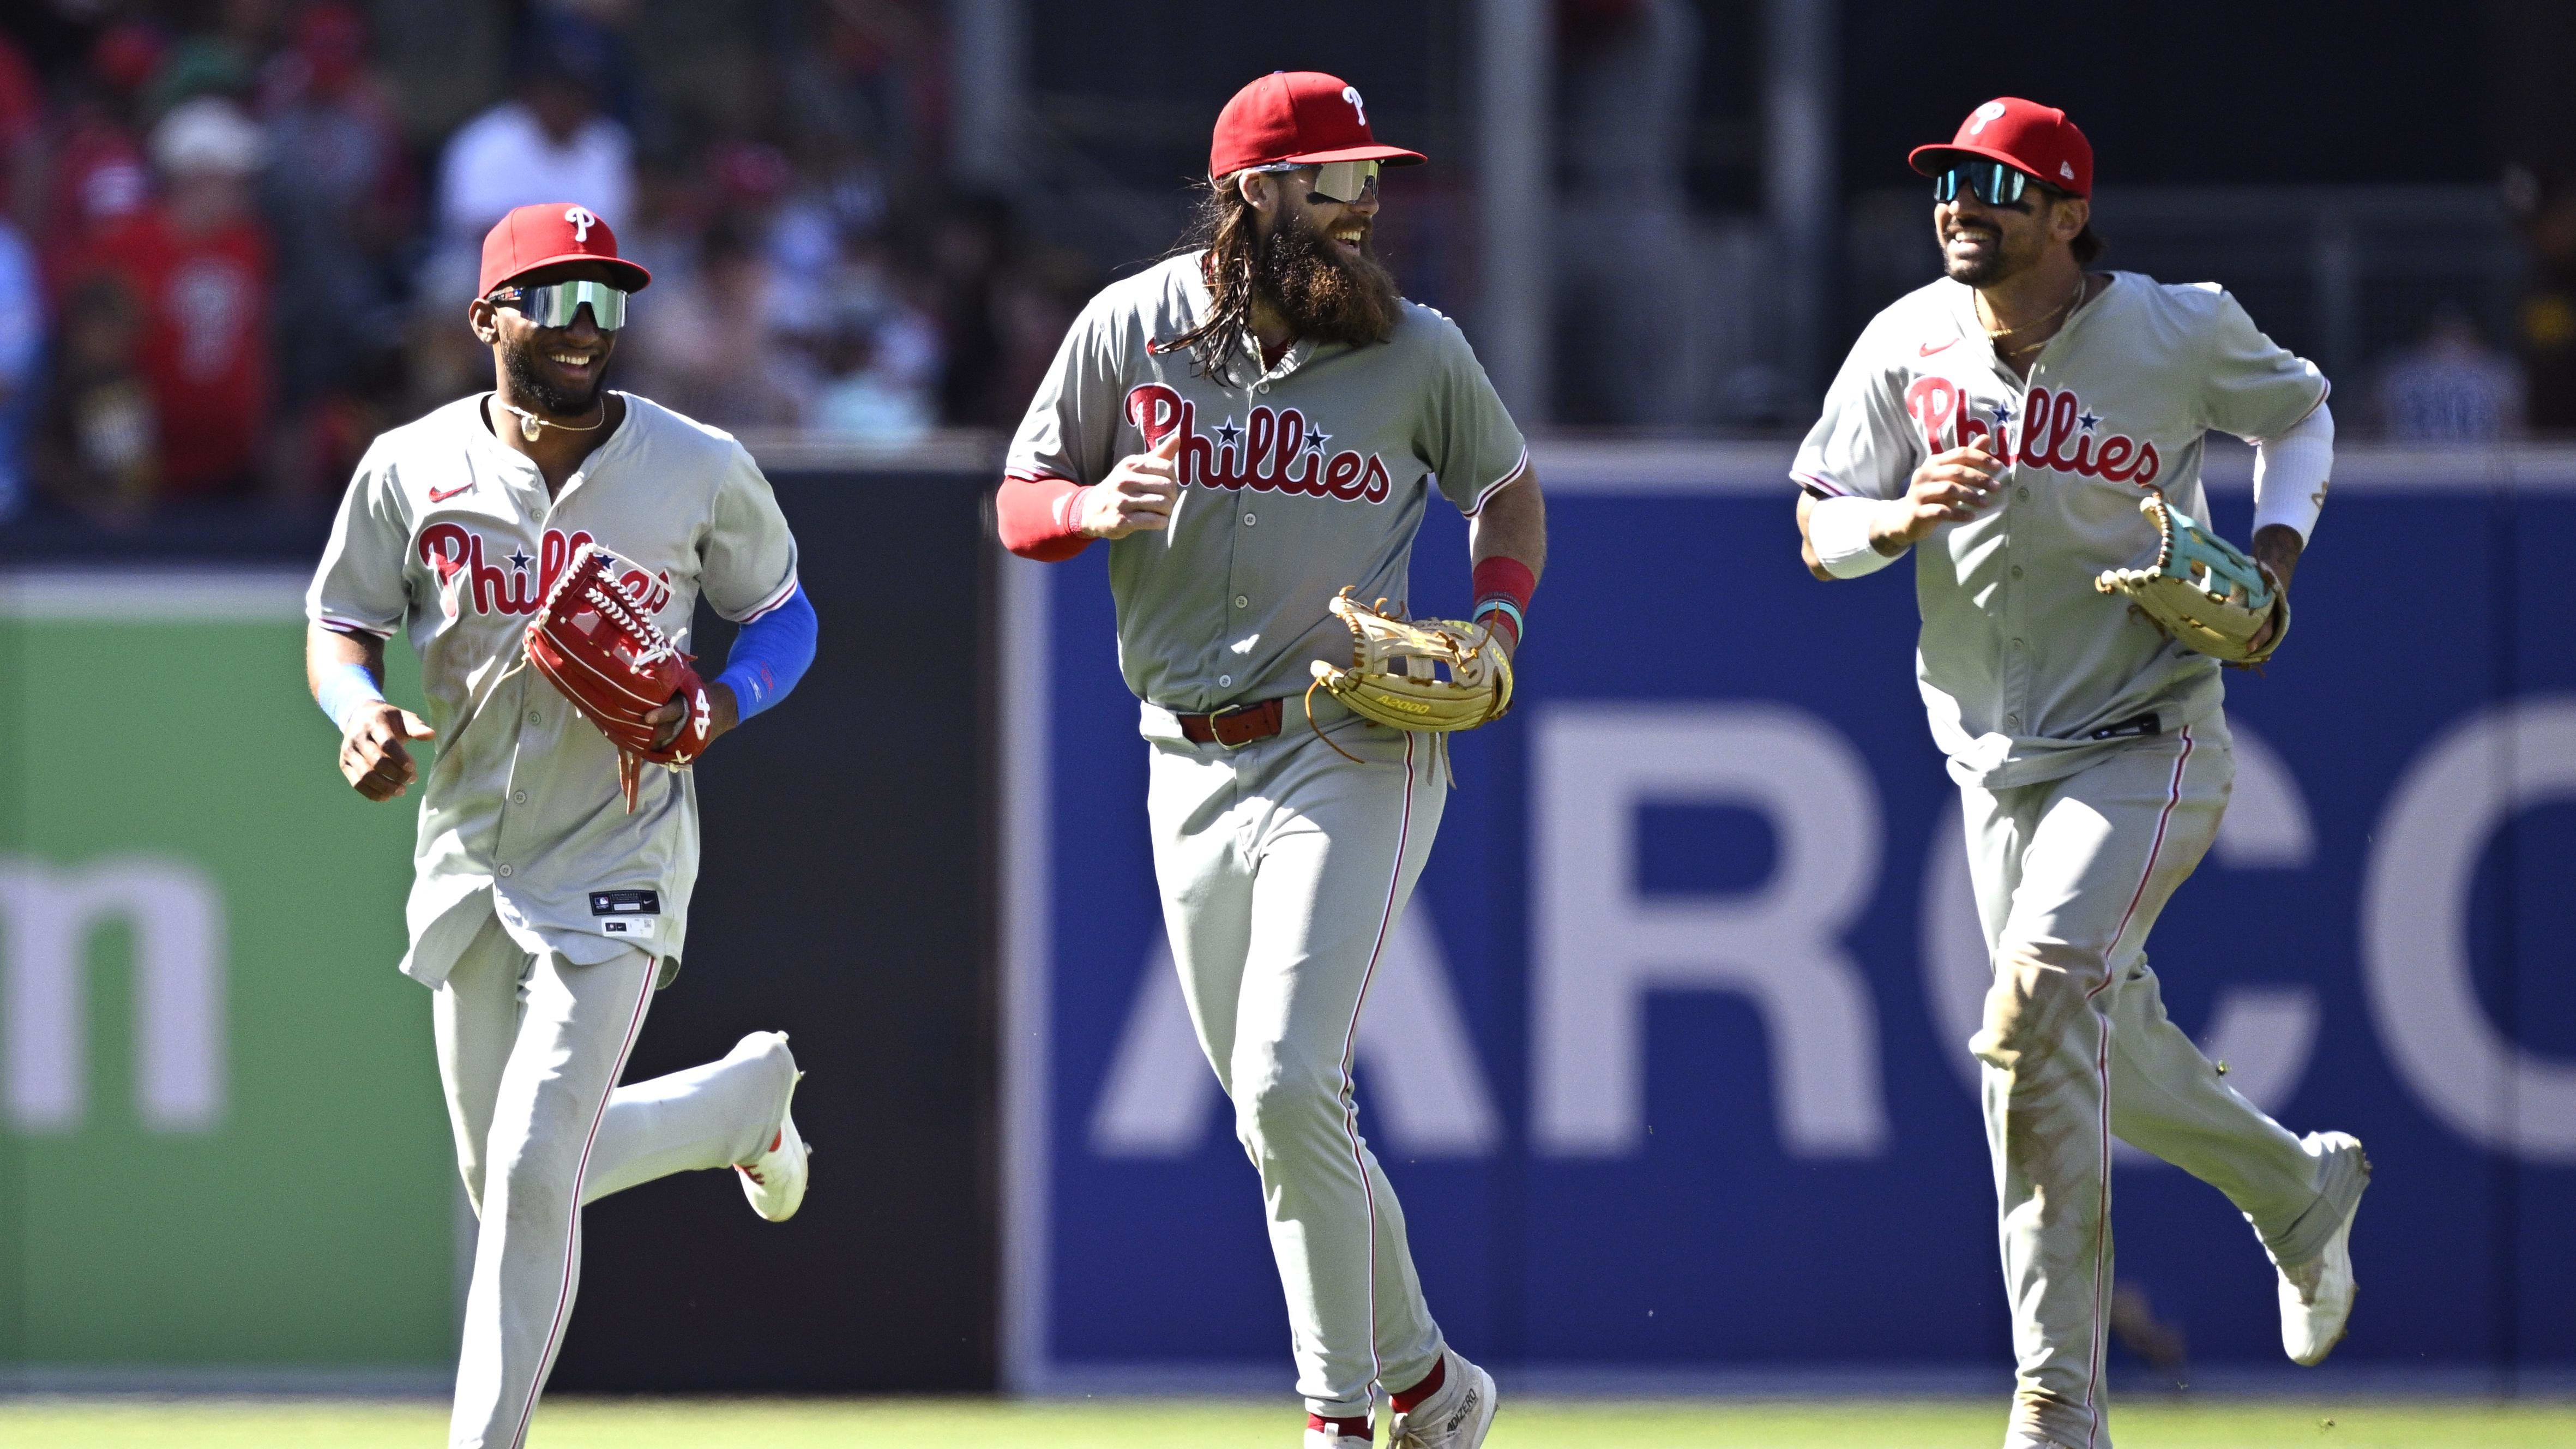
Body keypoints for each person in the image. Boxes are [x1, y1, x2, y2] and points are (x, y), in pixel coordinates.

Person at [1791, 99, 2369, 1449]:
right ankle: (2293, 1187)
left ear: (2063, 215)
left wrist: (2273, 561)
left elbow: (2299, 416)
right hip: (1992, 762)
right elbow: (1818, 526)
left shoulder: (2171, 327)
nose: (1958, 203)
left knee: (2035, 1003)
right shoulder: (1905, 341)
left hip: (2147, 731)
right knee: (2070, 1044)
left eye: (1996, 184)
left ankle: (2055, 1402)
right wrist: (1897, 512)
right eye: (1946, 179)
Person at [996, 71, 1543, 1449]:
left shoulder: (1416, 349)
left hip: (1349, 738)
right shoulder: (1129, 327)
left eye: (1372, 181)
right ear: (1252, 193)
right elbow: (1016, 498)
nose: (1365, 207)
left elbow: (1505, 488)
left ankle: (1339, 1415)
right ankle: (1428, 1384)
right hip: (1181, 760)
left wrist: (1491, 616)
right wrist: (1085, 500)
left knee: (1297, 1078)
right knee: (1268, 1110)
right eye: (1336, 180)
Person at [303, 203, 818, 1449]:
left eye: (612, 300)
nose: (591, 326)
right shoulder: (410, 466)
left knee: (538, 1166)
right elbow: (341, 624)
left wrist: (726, 699)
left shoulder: (695, 462)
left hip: (621, 844)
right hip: (466, 847)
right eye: (559, 298)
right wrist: (359, 713)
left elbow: (784, 617)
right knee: (503, 1175)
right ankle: (731, 1111)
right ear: (488, 317)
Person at [71, 97, 273, 503]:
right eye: (233, 180)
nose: (243, 193)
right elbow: (93, 359)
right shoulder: (125, 248)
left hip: (232, 471)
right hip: (148, 478)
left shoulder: (249, 244)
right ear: (193, 177)